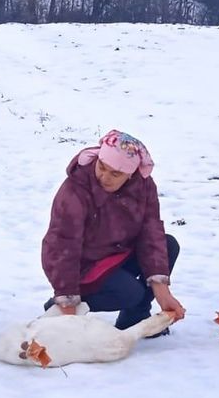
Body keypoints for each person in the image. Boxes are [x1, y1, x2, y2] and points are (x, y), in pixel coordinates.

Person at [41, 130, 186, 330]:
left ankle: (135, 318)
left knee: (168, 245)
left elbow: (151, 232)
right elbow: (62, 245)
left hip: (117, 256)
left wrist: (162, 292)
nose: (104, 177)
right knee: (129, 292)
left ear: (130, 174)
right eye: (102, 167)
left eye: (115, 174)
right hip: (84, 266)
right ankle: (59, 307)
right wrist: (67, 298)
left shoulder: (143, 186)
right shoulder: (75, 190)